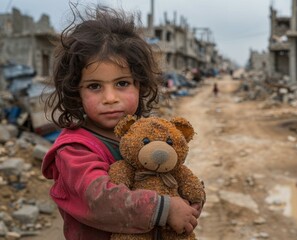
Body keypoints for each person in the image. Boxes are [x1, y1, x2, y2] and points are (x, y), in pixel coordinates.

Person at [41, 4, 204, 240]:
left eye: (122, 83)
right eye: (94, 86)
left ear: (140, 85)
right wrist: (166, 209)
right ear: (76, 91)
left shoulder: (141, 136)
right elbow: (99, 199)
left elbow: (175, 174)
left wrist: (191, 202)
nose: (110, 98)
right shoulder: (74, 150)